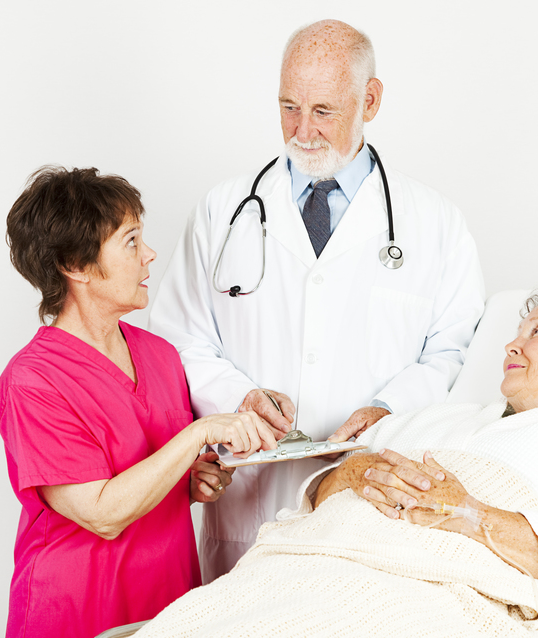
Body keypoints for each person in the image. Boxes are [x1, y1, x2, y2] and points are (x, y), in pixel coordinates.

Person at [134, 279, 538, 637]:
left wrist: (472, 515)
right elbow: (318, 496)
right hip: (303, 566)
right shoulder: (443, 416)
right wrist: (350, 470)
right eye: (517, 331)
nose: (511, 344)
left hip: (418, 592)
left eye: (537, 333)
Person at [148, 19, 486, 580]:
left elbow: (455, 354)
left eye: (323, 111)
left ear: (370, 100)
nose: (302, 130)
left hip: (371, 505)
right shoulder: (222, 211)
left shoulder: (436, 223)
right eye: (288, 107)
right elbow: (177, 339)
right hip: (247, 502)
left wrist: (388, 412)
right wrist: (241, 398)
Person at [0, 166, 278, 638]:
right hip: (77, 614)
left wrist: (191, 480)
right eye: (130, 242)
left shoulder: (161, 356)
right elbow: (102, 512)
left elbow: (151, 471)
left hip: (168, 610)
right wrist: (198, 434)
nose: (149, 256)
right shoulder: (34, 382)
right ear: (76, 265)